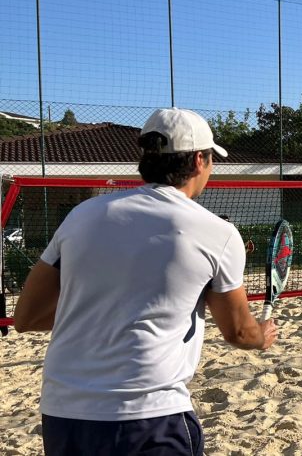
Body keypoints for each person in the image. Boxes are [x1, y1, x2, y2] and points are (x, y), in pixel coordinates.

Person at [14, 107, 278, 456]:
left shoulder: (82, 216)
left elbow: (26, 318)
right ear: (199, 160)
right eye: (212, 159)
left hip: (64, 413)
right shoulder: (218, 233)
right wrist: (262, 336)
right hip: (150, 415)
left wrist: (104, 311)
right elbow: (239, 333)